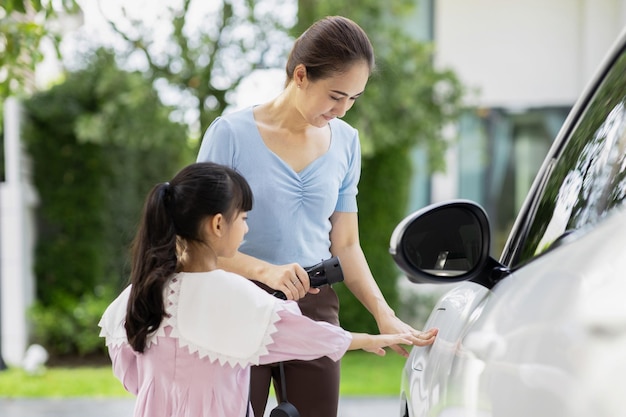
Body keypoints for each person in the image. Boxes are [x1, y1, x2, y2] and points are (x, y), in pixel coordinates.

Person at [196, 15, 439, 417]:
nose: (342, 110)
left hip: (313, 305)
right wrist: (267, 272)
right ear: (302, 75)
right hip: (235, 303)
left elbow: (345, 244)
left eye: (354, 99)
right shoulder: (230, 135)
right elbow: (195, 240)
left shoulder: (346, 143)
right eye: (336, 95)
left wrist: (383, 312)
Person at [98, 162, 428, 417]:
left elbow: (129, 373)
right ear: (217, 224)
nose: (246, 227)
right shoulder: (235, 296)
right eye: (242, 218)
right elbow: (311, 338)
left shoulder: (137, 294)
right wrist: (375, 339)